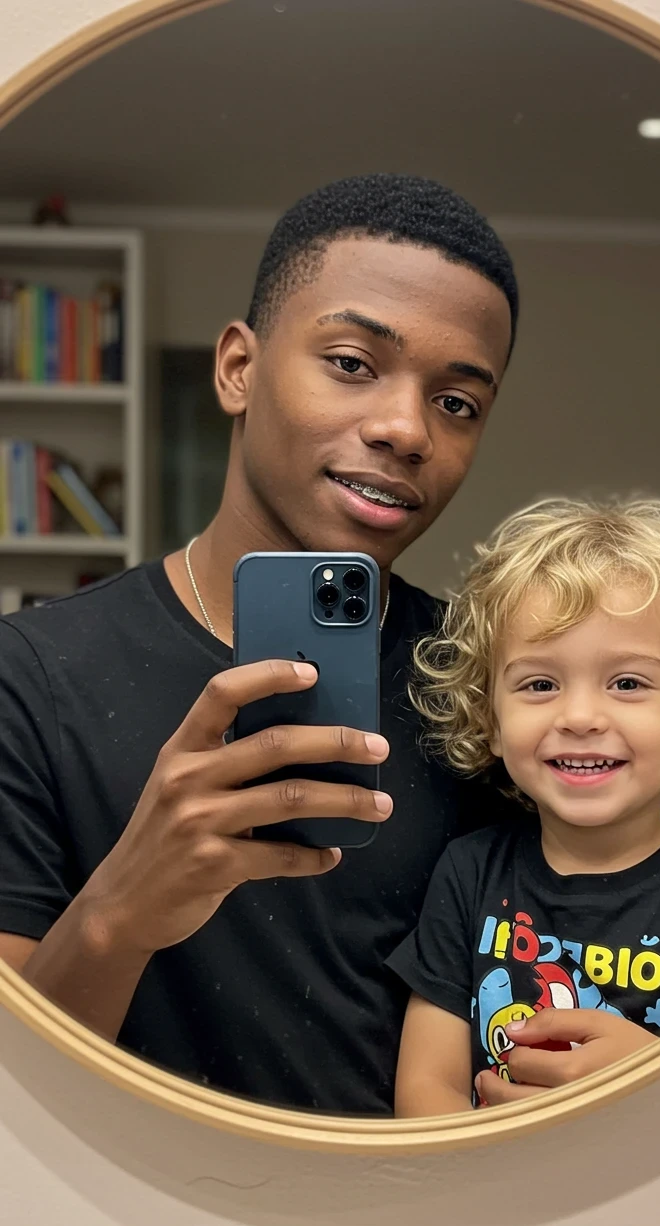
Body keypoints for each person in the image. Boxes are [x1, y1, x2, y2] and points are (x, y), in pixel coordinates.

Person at [0, 173, 520, 1115]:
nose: (406, 429)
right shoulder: (28, 679)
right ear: (239, 369)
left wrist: (634, 1055)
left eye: (457, 404)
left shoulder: (501, 687)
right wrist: (122, 909)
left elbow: (655, 933)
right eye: (355, 363)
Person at [389, 497, 660, 1117]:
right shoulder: (468, 875)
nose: (579, 717)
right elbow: (426, 1088)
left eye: (628, 683)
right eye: (540, 684)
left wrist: (653, 1075)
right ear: (490, 719)